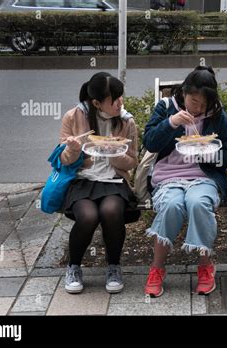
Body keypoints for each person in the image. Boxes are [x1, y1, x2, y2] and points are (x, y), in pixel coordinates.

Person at [143, 66, 227, 297]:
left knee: (197, 203)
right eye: (194, 102)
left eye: (204, 105)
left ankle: (205, 266)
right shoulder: (166, 108)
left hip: (204, 178)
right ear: (183, 93)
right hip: (169, 176)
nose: (198, 109)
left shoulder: (217, 115)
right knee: (172, 205)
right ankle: (157, 268)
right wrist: (171, 122)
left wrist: (210, 155)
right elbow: (150, 143)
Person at [59, 72, 139, 294]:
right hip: (82, 180)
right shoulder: (73, 117)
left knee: (111, 211)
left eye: (121, 96)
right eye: (114, 99)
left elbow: (132, 161)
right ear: (96, 102)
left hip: (114, 180)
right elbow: (63, 161)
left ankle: (113, 266)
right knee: (88, 216)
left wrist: (114, 152)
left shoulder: (126, 120)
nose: (120, 102)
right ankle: (73, 266)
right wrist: (73, 150)